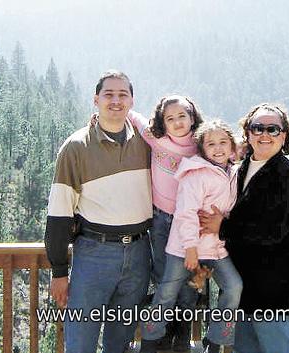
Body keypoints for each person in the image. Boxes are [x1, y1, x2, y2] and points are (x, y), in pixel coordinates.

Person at [44, 70, 153, 353]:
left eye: (122, 95)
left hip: (140, 252)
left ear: (132, 101)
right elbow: (59, 212)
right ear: (96, 100)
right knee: (81, 342)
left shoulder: (147, 143)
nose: (115, 101)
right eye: (109, 94)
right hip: (94, 254)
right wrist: (58, 270)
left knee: (120, 343)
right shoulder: (77, 147)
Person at [91, 94, 204, 351]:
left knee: (190, 276)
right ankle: (161, 333)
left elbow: (226, 152)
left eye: (182, 116)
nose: (177, 122)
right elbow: (133, 115)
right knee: (164, 274)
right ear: (162, 121)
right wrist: (102, 116)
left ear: (193, 117)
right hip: (161, 220)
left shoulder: (201, 145)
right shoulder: (156, 140)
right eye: (170, 118)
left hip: (190, 223)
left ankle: (182, 331)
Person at [199, 104, 289, 353]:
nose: (264, 134)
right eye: (258, 128)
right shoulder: (242, 167)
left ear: (284, 136)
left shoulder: (287, 176)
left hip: (273, 288)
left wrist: (223, 227)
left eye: (273, 129)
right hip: (243, 285)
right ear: (247, 133)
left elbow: (274, 231)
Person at [140, 120, 243, 353]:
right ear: (202, 149)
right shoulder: (196, 174)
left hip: (216, 248)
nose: (218, 148)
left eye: (223, 142)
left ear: (232, 145)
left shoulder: (234, 173)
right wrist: (190, 248)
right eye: (211, 144)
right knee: (166, 294)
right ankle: (149, 341)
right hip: (184, 249)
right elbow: (185, 213)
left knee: (234, 286)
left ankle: (215, 341)